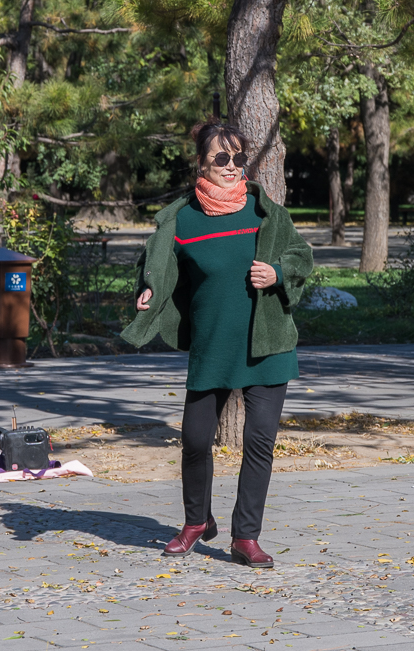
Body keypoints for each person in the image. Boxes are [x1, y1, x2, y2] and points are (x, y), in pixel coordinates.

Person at [122, 120, 313, 568]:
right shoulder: (182, 219)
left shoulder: (266, 212)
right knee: (193, 438)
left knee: (259, 441)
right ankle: (196, 522)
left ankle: (245, 536)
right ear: (202, 165)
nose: (232, 167)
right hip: (213, 344)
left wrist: (278, 273)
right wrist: (150, 289)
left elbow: (301, 255)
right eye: (221, 159)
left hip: (268, 344)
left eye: (239, 158)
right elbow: (158, 264)